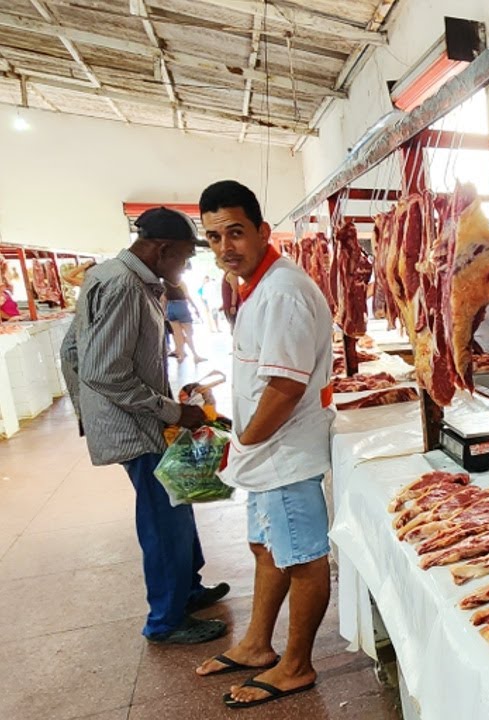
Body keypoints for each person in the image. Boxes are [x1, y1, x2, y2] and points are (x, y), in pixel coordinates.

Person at [59, 207, 230, 645]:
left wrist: (165, 397)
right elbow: (104, 371)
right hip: (134, 427)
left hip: (138, 415)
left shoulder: (120, 277)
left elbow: (79, 351)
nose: (186, 267)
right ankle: (166, 620)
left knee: (177, 501)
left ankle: (187, 591)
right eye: (186, 257)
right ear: (163, 249)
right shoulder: (123, 286)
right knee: (163, 518)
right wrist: (170, 412)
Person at [195, 180, 335, 709]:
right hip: (265, 453)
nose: (225, 246)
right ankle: (257, 645)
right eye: (213, 237)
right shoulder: (256, 286)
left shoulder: (282, 291)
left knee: (302, 557)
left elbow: (284, 387)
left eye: (235, 232)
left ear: (261, 231)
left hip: (284, 451)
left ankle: (296, 665)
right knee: (266, 547)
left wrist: (245, 441)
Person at [165, 277, 205, 363]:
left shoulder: (164, 283)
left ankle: (181, 356)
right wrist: (195, 308)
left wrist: (164, 312)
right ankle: (195, 356)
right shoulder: (180, 282)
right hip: (182, 307)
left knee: (177, 335)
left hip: (170, 307)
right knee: (189, 334)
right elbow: (187, 296)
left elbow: (164, 299)